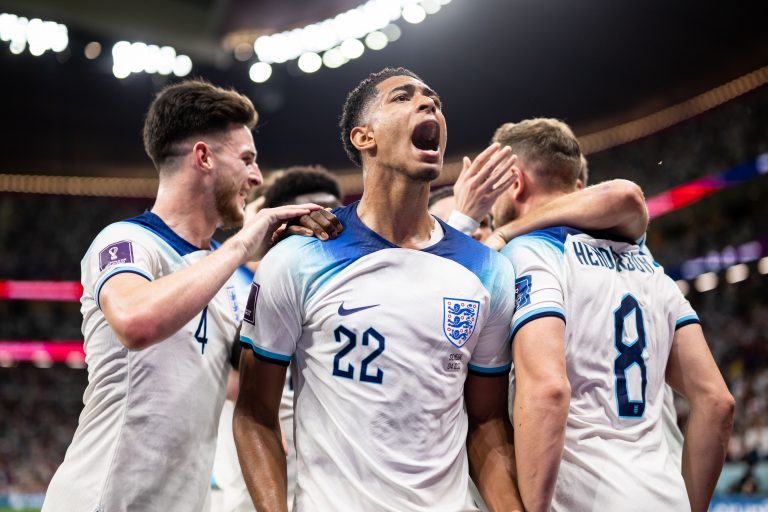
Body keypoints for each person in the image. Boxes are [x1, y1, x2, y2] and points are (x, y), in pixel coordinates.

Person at [233, 67, 524, 511]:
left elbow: (486, 422)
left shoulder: (489, 271)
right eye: (403, 97)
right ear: (363, 137)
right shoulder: (299, 257)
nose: (428, 104)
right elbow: (254, 415)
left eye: (434, 101)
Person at [42, 80, 328, 512]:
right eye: (247, 159)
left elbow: (235, 383)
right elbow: (135, 321)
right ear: (204, 157)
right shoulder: (126, 241)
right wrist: (241, 245)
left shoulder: (222, 273)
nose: (256, 177)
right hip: (102, 501)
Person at [491, 118, 735, 512]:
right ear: (578, 188)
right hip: (666, 497)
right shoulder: (648, 262)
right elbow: (718, 401)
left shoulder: (527, 253)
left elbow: (548, 391)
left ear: (515, 182)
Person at [211, 166, 343, 512]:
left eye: (335, 211)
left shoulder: (341, 283)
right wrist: (263, 411)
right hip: (258, 436)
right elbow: (216, 369)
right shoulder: (227, 278)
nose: (327, 222)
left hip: (324, 456)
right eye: (312, 212)